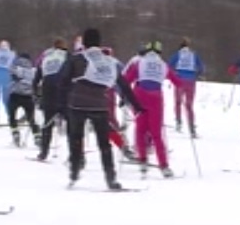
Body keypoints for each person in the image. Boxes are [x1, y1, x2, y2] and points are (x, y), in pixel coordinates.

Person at [57, 28, 142, 189]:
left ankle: (74, 172)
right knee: (104, 144)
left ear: (84, 43)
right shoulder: (108, 60)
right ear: (99, 42)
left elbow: (62, 81)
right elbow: (123, 84)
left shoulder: (76, 59)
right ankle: (111, 179)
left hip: (77, 104)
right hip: (100, 105)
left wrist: (61, 104)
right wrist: (136, 105)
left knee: (76, 139)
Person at [124, 40, 183, 177]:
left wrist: (124, 94)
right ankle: (164, 166)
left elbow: (127, 80)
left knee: (140, 129)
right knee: (156, 133)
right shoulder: (163, 65)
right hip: (156, 97)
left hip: (139, 95)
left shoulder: (140, 63)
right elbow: (177, 82)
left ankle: (143, 160)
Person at [33, 38, 69, 161]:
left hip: (48, 92)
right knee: (71, 124)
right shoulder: (67, 55)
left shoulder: (46, 57)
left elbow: (37, 77)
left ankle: (43, 152)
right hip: (63, 92)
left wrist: (35, 94)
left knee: (47, 124)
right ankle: (76, 155)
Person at [168, 37, 204, 137]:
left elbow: (169, 66)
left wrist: (173, 74)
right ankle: (192, 128)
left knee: (178, 102)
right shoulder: (194, 54)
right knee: (189, 105)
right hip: (191, 81)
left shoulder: (178, 54)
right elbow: (201, 67)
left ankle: (178, 122)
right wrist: (197, 74)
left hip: (179, 80)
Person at [8, 53, 41, 147]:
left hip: (15, 95)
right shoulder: (33, 70)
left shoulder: (14, 67)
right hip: (28, 96)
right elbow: (36, 82)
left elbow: (11, 75)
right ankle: (37, 136)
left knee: (12, 116)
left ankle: (15, 132)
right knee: (31, 118)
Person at [0, 40, 15, 125]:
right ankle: (7, 116)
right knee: (5, 98)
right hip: (5, 74)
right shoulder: (12, 54)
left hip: (0, 74)